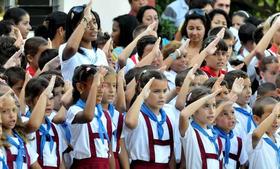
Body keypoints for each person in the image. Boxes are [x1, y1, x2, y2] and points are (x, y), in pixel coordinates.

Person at [66, 64, 115, 169]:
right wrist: (95, 83)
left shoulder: (105, 115)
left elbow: (109, 151)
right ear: (80, 87)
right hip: (85, 165)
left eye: (102, 85)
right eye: (96, 86)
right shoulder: (74, 110)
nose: (101, 90)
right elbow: (88, 116)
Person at [125, 70, 176, 169]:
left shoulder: (169, 114)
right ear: (143, 90)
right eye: (156, 91)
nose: (162, 96)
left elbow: (172, 153)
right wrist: (142, 96)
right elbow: (130, 122)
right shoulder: (137, 114)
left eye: (164, 91)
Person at [60, 0, 108, 81]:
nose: (93, 27)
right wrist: (85, 19)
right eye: (88, 23)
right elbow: (71, 47)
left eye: (94, 22)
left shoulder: (100, 53)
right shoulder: (65, 48)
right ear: (75, 27)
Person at [25, 77, 66, 168]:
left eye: (50, 98)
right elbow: (34, 124)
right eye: (42, 99)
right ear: (29, 101)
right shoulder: (25, 123)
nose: (48, 103)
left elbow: (60, 160)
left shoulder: (55, 128)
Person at [179, 86, 223, 169]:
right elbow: (184, 114)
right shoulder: (190, 132)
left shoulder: (215, 136)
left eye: (214, 105)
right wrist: (208, 97)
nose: (212, 111)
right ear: (194, 110)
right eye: (206, 106)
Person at [101, 67, 129, 169]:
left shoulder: (117, 115)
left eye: (114, 86)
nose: (112, 90)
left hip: (115, 161)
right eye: (106, 86)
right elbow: (122, 106)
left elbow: (121, 145)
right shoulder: (92, 114)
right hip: (101, 161)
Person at [214, 101, 248, 169]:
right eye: (225, 114)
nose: (230, 117)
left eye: (232, 112)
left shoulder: (238, 141)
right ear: (214, 119)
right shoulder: (212, 137)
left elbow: (243, 164)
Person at [248, 97, 280, 169]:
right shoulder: (256, 138)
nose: (276, 120)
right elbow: (256, 135)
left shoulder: (278, 138)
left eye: (278, 116)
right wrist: (274, 113)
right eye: (270, 117)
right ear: (256, 119)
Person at [224, 70, 256, 140]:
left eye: (249, 86)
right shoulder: (229, 111)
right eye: (243, 87)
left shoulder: (250, 110)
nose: (249, 91)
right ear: (230, 90)